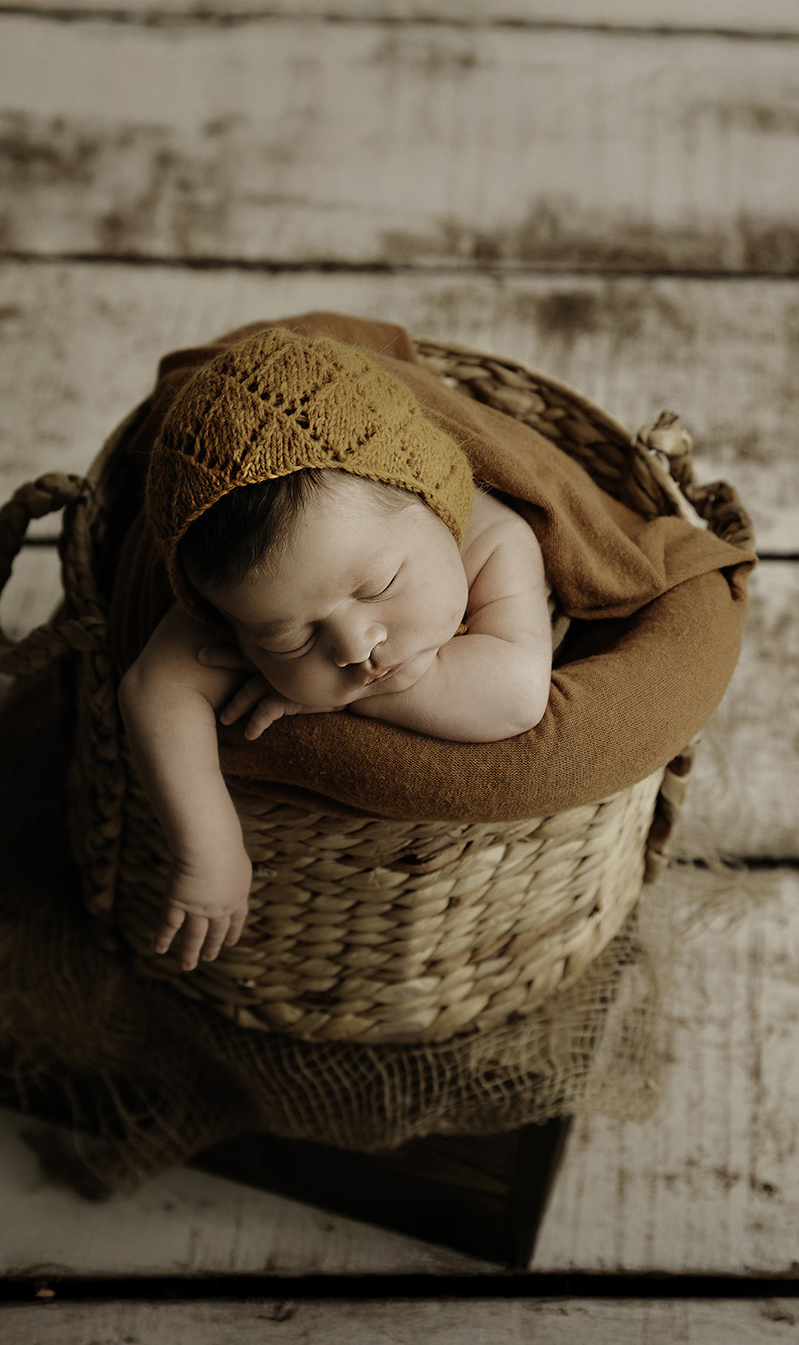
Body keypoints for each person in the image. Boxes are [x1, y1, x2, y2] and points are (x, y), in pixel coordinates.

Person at [117, 326, 553, 972]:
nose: (354, 646)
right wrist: (207, 851)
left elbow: (518, 695)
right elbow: (151, 692)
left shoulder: (491, 537)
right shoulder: (246, 596)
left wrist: (339, 699)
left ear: (433, 502)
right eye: (291, 636)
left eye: (379, 587)